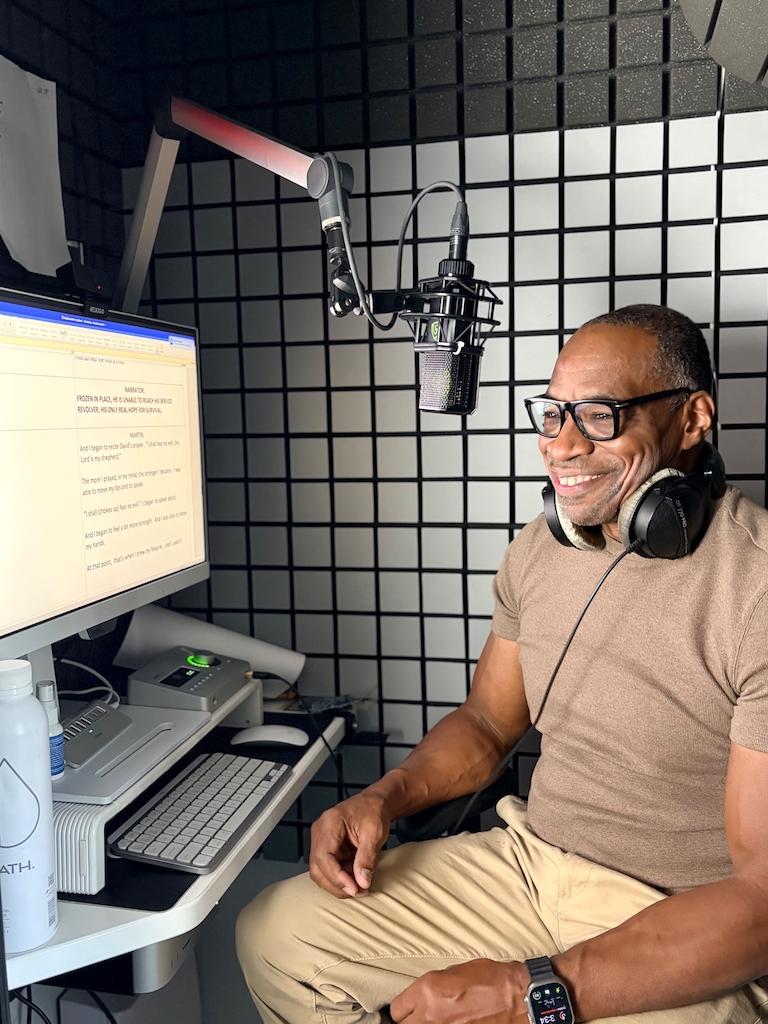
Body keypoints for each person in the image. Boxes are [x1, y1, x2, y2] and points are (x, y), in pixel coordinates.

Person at [236, 305, 768, 1024]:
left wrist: (530, 990)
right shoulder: (545, 547)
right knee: (278, 939)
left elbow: (761, 899)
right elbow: (487, 724)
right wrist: (384, 798)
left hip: (675, 914)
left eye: (600, 415)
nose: (563, 446)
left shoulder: (756, 584)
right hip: (529, 868)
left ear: (694, 418)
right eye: (552, 415)